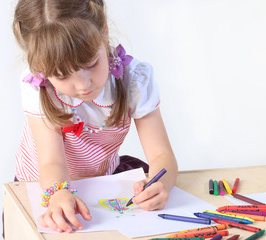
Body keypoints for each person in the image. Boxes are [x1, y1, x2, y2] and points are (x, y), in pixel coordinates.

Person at [12, 0, 178, 234]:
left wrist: (162, 184)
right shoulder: (40, 89)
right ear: (41, 66)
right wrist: (58, 194)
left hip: (101, 182)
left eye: (91, 64)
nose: (82, 85)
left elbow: (162, 155)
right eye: (61, 75)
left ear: (104, 33)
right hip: (44, 185)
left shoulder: (134, 80)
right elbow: (51, 162)